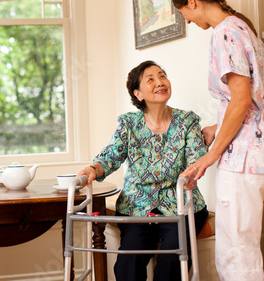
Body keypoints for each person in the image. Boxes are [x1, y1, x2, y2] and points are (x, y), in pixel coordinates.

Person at [172, 0, 264, 281]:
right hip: (256, 150)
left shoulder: (224, 32)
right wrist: (215, 127)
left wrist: (208, 158)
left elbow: (240, 100)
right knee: (241, 246)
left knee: (235, 252)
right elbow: (246, 102)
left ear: (192, 1)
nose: (188, 21)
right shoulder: (242, 28)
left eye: (183, 13)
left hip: (243, 157)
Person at [77, 60, 209, 281]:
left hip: (181, 207)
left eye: (162, 76)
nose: (160, 82)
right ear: (138, 94)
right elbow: (112, 154)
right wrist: (93, 169)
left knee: (171, 262)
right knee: (128, 264)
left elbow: (196, 158)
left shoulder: (187, 121)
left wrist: (192, 174)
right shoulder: (129, 123)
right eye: (151, 79)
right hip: (136, 208)